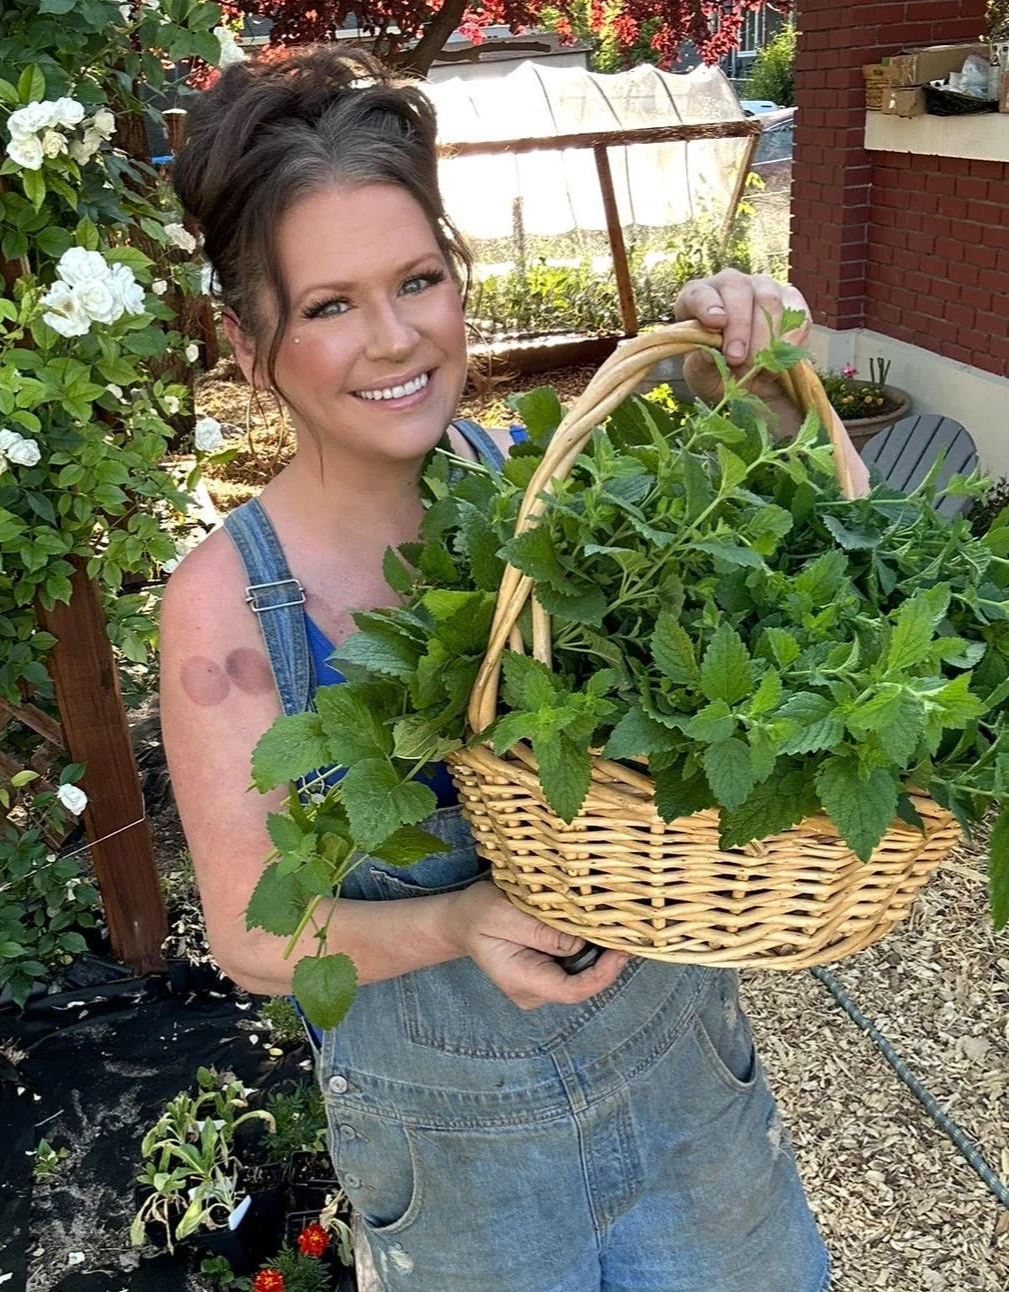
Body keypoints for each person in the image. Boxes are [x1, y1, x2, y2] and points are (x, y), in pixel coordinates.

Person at [162, 46, 861, 1292]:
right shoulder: (226, 603)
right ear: (248, 340)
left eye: (417, 279)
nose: (394, 338)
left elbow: (746, 568)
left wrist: (729, 377)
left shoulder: (539, 489)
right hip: (460, 1166)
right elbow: (251, 931)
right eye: (328, 304)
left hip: (683, 1081)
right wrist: (458, 919)